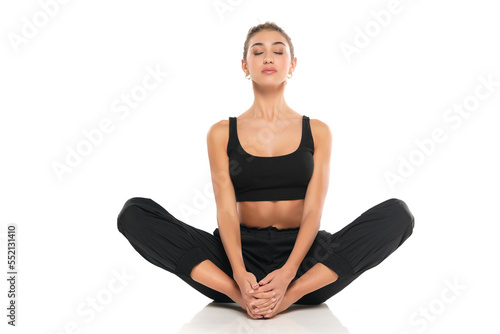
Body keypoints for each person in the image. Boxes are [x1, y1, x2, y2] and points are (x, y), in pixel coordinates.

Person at [116, 21, 415, 319]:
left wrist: (288, 277)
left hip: (306, 260)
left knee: (397, 215)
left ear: (292, 64)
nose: (268, 58)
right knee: (134, 214)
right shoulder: (221, 133)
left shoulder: (318, 131)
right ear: (245, 66)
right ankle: (245, 296)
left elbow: (313, 211)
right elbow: (226, 211)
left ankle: (290, 296)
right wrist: (238, 276)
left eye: (278, 51)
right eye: (257, 52)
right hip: (237, 257)